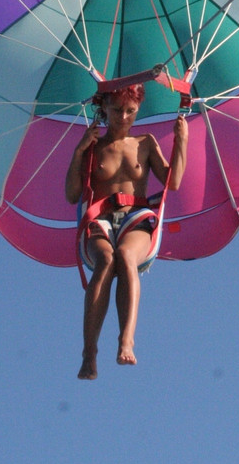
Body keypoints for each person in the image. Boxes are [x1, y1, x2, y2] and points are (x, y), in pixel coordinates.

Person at [65, 83, 188, 379]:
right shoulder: (93, 147)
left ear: (138, 110)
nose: (123, 117)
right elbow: (72, 195)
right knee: (106, 260)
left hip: (136, 217)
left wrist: (182, 140)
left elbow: (172, 182)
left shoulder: (145, 143)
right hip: (100, 219)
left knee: (125, 255)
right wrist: (79, 151)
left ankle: (126, 341)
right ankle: (89, 352)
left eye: (130, 111)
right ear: (104, 108)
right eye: (117, 110)